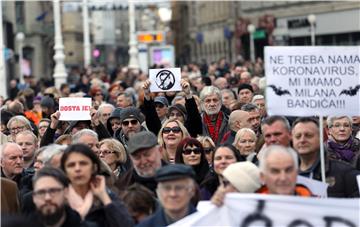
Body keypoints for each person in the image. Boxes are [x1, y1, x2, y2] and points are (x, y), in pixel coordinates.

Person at [60, 143, 133, 227]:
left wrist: (104, 198)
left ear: (93, 167)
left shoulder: (109, 194)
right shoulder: (58, 197)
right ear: (65, 171)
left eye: (83, 163)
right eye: (71, 165)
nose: (77, 169)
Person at [292, 117, 360, 197]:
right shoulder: (284, 172)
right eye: (298, 136)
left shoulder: (347, 174)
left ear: (320, 137)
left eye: (309, 135)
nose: (302, 140)